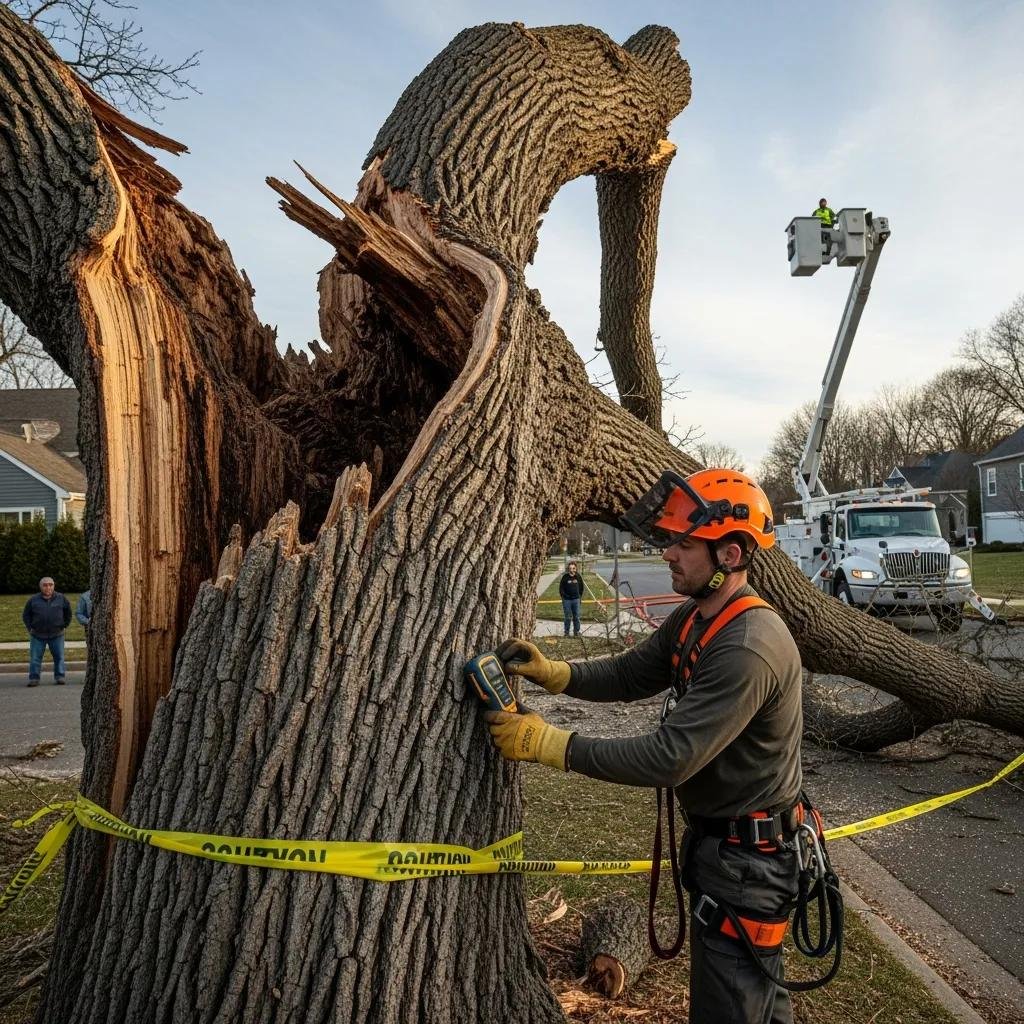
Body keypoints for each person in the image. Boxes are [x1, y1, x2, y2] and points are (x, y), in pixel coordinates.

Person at [486, 469, 828, 1024]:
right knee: (756, 1006)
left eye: (684, 543)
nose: (669, 553)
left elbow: (668, 757)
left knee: (734, 1008)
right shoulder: (698, 619)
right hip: (725, 854)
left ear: (732, 555)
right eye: (670, 539)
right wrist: (557, 673)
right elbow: (630, 673)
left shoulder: (748, 645)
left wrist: (549, 744)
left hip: (748, 866)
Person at [22, 576, 72, 687]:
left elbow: (68, 613)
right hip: (37, 635)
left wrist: (65, 625)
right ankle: (34, 678)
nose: (48, 587)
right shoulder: (33, 600)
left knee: (59, 657)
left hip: (57, 634)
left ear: (54, 586)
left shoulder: (61, 598)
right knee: (35, 658)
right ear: (40, 587)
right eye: (45, 585)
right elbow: (26, 615)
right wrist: (30, 628)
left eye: (50, 584)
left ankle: (60, 677)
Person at [558, 561, 585, 637]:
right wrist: (564, 597)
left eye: (573, 568)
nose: (572, 570)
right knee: (567, 617)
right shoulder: (565, 577)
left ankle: (576, 632)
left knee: (576, 617)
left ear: (576, 569)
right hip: (567, 601)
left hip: (576, 600)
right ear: (568, 569)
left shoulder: (578, 576)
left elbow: (581, 588)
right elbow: (561, 589)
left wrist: (579, 597)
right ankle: (566, 633)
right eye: (570, 568)